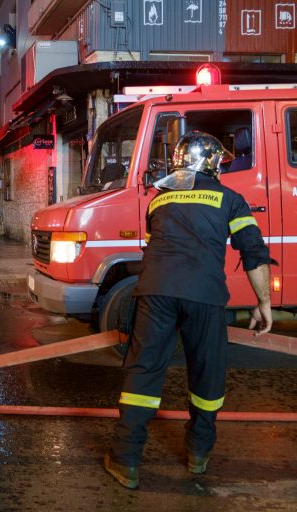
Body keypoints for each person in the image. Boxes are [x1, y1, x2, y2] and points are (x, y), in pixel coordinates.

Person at [103, 131, 274, 489]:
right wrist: (264, 303)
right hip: (205, 296)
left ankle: (125, 460)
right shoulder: (230, 199)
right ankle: (198, 454)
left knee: (144, 373)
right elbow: (254, 252)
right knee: (207, 377)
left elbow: (153, 246)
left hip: (155, 292)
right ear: (212, 163)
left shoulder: (158, 200)